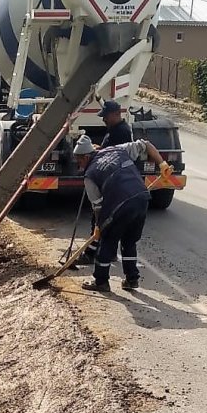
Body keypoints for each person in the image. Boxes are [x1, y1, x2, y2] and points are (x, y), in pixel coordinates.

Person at [73, 133, 172, 293]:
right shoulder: (117, 150)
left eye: (79, 161)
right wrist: (162, 164)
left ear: (85, 157)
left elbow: (98, 207)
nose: (79, 165)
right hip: (141, 198)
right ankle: (132, 279)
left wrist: (99, 227)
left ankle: (101, 282)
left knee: (107, 240)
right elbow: (146, 144)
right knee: (129, 241)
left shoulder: (90, 176)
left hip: (121, 204)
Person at [83, 102, 132, 261]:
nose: (103, 119)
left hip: (113, 181)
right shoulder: (114, 130)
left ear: (117, 114)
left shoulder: (121, 132)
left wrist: (98, 151)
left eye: (106, 116)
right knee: (106, 219)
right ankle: (107, 253)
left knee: (100, 218)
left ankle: (93, 254)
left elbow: (114, 154)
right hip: (112, 180)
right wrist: (99, 149)